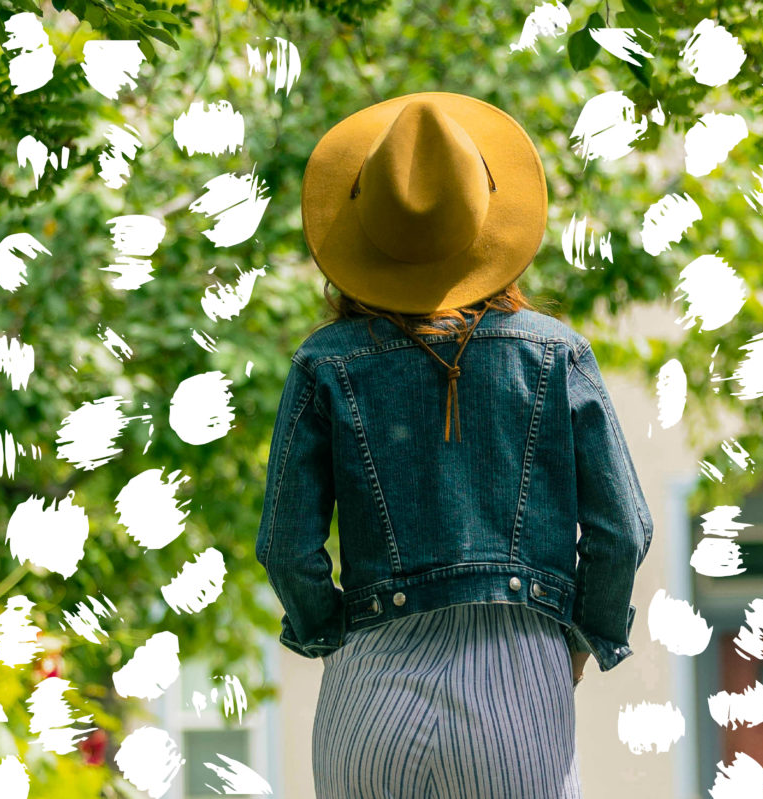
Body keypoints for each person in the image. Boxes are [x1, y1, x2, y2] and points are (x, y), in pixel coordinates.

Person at [256, 91, 654, 798]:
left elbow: (287, 546)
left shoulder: (326, 362)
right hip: (518, 674)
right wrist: (581, 639)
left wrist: (329, 636)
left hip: (369, 689)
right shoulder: (557, 355)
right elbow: (621, 531)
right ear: (488, 225)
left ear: (364, 233)